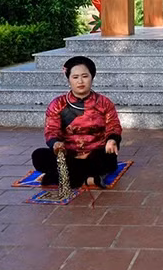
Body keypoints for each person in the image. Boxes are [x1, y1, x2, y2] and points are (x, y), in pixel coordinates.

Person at [31, 56, 122, 188]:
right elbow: (51, 130)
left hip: (95, 154)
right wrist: (56, 144)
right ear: (69, 79)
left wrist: (112, 140)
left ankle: (57, 177)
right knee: (39, 156)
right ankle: (87, 179)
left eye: (85, 76)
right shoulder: (57, 104)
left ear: (92, 77)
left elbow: (113, 125)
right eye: (75, 77)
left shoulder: (104, 103)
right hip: (68, 154)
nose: (80, 81)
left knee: (107, 159)